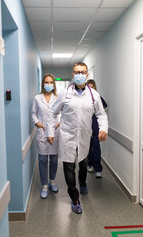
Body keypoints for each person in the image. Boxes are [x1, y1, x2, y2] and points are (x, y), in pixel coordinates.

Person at [46, 62, 108, 214]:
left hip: (85, 137)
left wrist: (103, 129)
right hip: (67, 136)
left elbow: (101, 114)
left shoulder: (94, 95)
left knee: (83, 164)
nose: (79, 75)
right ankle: (74, 198)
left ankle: (82, 182)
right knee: (68, 167)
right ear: (73, 75)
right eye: (76, 72)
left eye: (82, 72)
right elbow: (52, 113)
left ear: (87, 75)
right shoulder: (64, 94)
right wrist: (50, 132)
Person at [32, 73, 60, 199]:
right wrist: (37, 123)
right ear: (43, 84)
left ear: (54, 84)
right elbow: (33, 113)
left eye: (51, 82)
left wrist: (60, 122)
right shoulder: (38, 98)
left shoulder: (58, 98)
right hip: (42, 132)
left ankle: (52, 181)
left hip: (55, 132)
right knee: (43, 160)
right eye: (46, 82)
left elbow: (64, 113)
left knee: (54, 159)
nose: (49, 84)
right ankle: (44, 184)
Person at [87, 79, 108, 178]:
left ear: (95, 88)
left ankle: (98, 168)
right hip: (86, 124)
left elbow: (102, 111)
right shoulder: (84, 99)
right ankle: (90, 164)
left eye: (92, 87)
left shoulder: (98, 97)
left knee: (96, 146)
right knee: (87, 146)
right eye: (89, 87)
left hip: (95, 124)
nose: (91, 89)